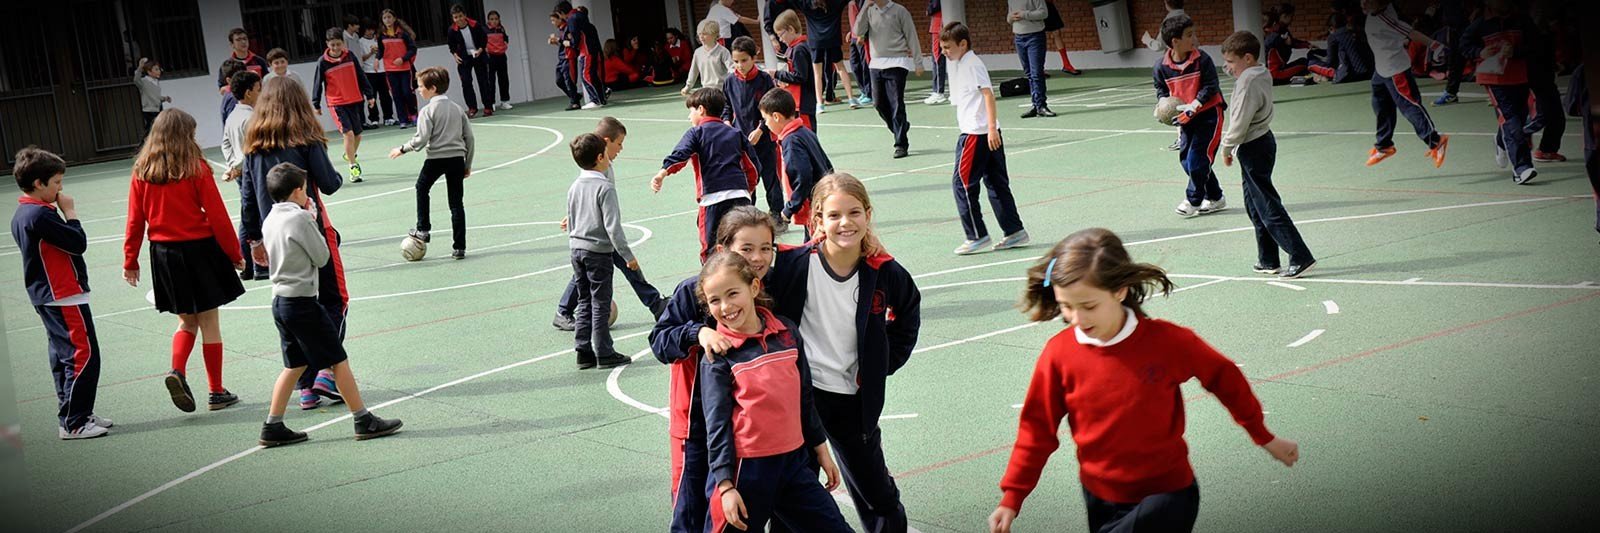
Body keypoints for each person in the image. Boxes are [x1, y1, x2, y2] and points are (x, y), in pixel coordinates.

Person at [986, 228, 1299, 533]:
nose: (1077, 319)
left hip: (1168, 495)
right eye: (1066, 307)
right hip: (1100, 498)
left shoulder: (1168, 342)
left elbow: (1225, 377)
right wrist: (1012, 496)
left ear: (1119, 290)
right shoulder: (1058, 354)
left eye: (1089, 306)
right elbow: (1036, 429)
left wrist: (1263, 436)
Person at [765, 173, 921, 533]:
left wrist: (882, 362)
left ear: (868, 214)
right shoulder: (793, 265)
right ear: (817, 220)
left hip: (853, 399)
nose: (845, 223)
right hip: (801, 399)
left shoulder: (884, 272)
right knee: (793, 496)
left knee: (879, 497)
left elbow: (908, 313)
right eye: (834, 215)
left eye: (854, 212)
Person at [697, 251, 854, 533]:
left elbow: (804, 397)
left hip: (794, 465)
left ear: (754, 287)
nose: (725, 306)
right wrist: (725, 486)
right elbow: (716, 425)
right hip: (747, 473)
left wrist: (821, 449)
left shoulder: (787, 333)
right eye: (715, 300)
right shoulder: (718, 355)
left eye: (733, 293)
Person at [649, 206, 779, 533]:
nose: (757, 258)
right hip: (697, 429)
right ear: (722, 251)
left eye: (766, 248)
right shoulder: (694, 291)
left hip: (752, 433)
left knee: (748, 514)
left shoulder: (767, 289)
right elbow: (659, 341)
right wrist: (697, 332)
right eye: (746, 249)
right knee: (691, 514)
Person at [257, 162, 403, 447]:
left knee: (295, 365)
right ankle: (363, 419)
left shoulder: (270, 218)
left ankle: (272, 425)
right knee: (338, 360)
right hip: (303, 302)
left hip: (281, 301)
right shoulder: (300, 219)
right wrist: (312, 218)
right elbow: (322, 257)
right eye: (305, 189)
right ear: (298, 191)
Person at [122, 108, 247, 414]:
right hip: (199, 250)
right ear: (184, 136)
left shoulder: (142, 170)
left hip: (164, 254)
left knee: (185, 321)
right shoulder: (195, 167)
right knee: (210, 322)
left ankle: (177, 370)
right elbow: (217, 215)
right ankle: (216, 391)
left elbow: (135, 221)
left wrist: (130, 260)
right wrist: (234, 253)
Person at [241, 76, 348, 410]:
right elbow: (329, 184)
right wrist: (335, 175)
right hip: (309, 229)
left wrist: (253, 240)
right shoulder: (306, 137)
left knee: (295, 305)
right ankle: (325, 372)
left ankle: (306, 385)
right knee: (335, 299)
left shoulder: (254, 145)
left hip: (274, 235)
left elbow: (246, 197)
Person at [10, 147, 112, 440]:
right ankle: (75, 422)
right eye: (56, 182)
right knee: (83, 356)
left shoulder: (26, 212)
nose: (60, 188)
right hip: (62, 294)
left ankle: (74, 412)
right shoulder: (39, 215)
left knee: (63, 357)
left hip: (51, 295)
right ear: (39, 184)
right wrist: (71, 213)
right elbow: (77, 242)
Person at [1218, 31, 1317, 279]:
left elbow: (1239, 120)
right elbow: (1239, 73)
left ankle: (1300, 255)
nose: (1228, 68)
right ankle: (1268, 258)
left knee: (1267, 205)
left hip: (1253, 145)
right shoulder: (1259, 72)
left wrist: (1227, 146)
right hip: (1260, 142)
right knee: (1254, 205)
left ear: (1248, 58)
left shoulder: (1248, 82)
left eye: (1231, 62)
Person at [552, 118, 667, 331]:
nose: (621, 148)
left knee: (594, 270)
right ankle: (565, 312)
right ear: (606, 142)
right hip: (601, 232)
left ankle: (655, 304)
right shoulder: (599, 164)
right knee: (620, 265)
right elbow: (587, 191)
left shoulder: (599, 161)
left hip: (599, 231)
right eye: (619, 143)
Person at [942, 22, 1029, 256]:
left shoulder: (972, 64)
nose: (944, 52)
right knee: (996, 183)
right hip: (982, 132)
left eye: (948, 47)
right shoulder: (961, 63)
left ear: (963, 44)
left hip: (976, 134)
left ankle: (976, 235)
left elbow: (988, 95)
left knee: (962, 185)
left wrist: (991, 128)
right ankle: (1014, 231)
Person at [652, 88, 761, 261]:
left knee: (710, 250)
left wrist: (662, 173)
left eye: (691, 111)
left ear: (701, 110)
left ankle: (711, 285)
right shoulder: (735, 133)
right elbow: (753, 167)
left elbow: (681, 154)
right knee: (742, 245)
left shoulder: (696, 133)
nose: (689, 117)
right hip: (741, 197)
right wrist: (747, 190)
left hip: (712, 199)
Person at [566, 134, 637, 370]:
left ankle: (583, 351)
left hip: (577, 249)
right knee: (600, 302)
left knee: (584, 300)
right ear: (600, 157)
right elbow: (613, 228)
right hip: (598, 252)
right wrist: (628, 256)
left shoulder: (575, 185)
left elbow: (572, 219)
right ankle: (604, 351)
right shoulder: (604, 188)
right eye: (606, 153)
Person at [391, 66, 475, 260]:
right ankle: (459, 247)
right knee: (456, 203)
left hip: (436, 158)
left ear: (433, 88)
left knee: (421, 187)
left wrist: (402, 149)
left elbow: (421, 140)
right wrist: (467, 164)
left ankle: (423, 229)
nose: (418, 90)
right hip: (456, 159)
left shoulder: (428, 110)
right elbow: (469, 138)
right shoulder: (457, 108)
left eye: (421, 86)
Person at [1154, 14, 1229, 218]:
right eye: (1189, 35)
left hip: (1209, 114)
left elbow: (1211, 86)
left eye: (1193, 33)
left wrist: (1195, 104)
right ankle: (1215, 197)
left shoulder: (1202, 59)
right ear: (1175, 42)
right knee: (1188, 162)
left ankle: (1193, 200)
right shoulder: (1161, 67)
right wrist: (1161, 104)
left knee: (1198, 160)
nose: (1194, 38)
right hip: (1186, 119)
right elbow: (1161, 89)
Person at [1360, 0, 1450, 169]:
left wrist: (1435, 45)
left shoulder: (1386, 20)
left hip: (1396, 70)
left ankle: (1436, 142)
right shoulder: (1375, 11)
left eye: (1368, 1)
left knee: (1410, 107)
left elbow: (1412, 33)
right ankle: (1384, 146)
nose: (1363, 4)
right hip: (1381, 69)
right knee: (1381, 106)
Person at [1461, 0, 1538, 184]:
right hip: (1493, 79)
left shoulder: (1522, 20)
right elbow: (1463, 46)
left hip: (1519, 77)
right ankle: (1522, 168)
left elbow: (1536, 45)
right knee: (1511, 121)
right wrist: (1480, 52)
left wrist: (1516, 51)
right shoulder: (1480, 24)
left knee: (1519, 118)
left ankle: (1500, 142)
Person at [721, 37, 784, 228]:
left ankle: (777, 215)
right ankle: (749, 214)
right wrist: (726, 123)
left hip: (764, 139)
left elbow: (773, 107)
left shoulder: (764, 79)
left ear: (754, 57)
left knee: (770, 178)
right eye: (736, 61)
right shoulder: (730, 81)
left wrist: (761, 129)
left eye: (744, 60)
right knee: (748, 178)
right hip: (741, 141)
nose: (740, 65)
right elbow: (727, 106)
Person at [758, 88, 832, 241]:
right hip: (823, 199)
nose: (766, 124)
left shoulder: (791, 141)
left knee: (816, 248)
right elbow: (827, 164)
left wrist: (790, 208)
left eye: (766, 119)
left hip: (814, 205)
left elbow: (803, 177)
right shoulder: (804, 131)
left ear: (776, 117)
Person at [853, 0, 923, 159]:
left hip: (898, 62)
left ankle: (901, 144)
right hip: (876, 64)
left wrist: (918, 62)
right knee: (878, 104)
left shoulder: (900, 11)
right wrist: (865, 7)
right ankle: (901, 127)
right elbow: (858, 30)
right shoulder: (870, 11)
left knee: (896, 103)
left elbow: (912, 36)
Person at [220, 71, 267, 280]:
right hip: (253, 172)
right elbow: (251, 149)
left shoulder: (233, 116)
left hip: (243, 172)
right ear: (248, 93)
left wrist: (232, 164)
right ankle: (258, 264)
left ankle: (249, 265)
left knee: (248, 214)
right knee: (256, 216)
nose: (262, 93)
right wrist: (238, 167)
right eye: (259, 89)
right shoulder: (250, 118)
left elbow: (225, 144)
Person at [311, 28, 375, 183]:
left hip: (354, 99)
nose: (335, 48)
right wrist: (316, 102)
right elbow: (317, 83)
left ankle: (349, 154)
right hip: (337, 103)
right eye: (332, 45)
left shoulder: (350, 56)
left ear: (343, 43)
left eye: (338, 44)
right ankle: (353, 166)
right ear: (327, 44)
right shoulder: (323, 62)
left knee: (358, 134)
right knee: (349, 134)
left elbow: (361, 75)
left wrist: (370, 95)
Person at [770, 11, 818, 131]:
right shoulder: (794, 48)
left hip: (803, 102)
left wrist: (776, 74)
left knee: (807, 133)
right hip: (797, 101)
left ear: (791, 29)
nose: (780, 39)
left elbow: (800, 76)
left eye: (781, 35)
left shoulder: (799, 49)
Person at [1009, 0, 1056, 118]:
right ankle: (1036, 105)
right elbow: (1008, 18)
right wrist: (1011, 17)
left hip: (1035, 36)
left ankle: (1041, 105)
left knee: (1037, 73)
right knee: (1029, 73)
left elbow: (1044, 13)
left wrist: (1024, 14)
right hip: (1019, 37)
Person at [448, 4, 494, 118]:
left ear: (465, 15)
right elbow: (451, 45)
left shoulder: (475, 25)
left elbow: (484, 38)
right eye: (455, 17)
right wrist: (455, 55)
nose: (458, 19)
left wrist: (480, 49)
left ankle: (488, 107)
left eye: (460, 16)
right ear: (453, 18)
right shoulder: (452, 30)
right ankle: (472, 108)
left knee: (483, 82)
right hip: (464, 58)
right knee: (466, 83)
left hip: (478, 55)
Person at [380, 9, 420, 128]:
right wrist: (377, 58)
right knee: (396, 95)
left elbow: (413, 49)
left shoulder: (403, 34)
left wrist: (403, 59)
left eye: (389, 17)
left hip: (406, 68)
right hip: (390, 70)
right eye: (385, 18)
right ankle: (403, 119)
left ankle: (413, 115)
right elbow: (381, 51)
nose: (387, 20)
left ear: (394, 18)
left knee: (408, 92)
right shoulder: (381, 36)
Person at [683, 20, 734, 94]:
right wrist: (688, 86)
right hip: (706, 90)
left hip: (722, 90)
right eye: (699, 34)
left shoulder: (723, 51)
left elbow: (731, 68)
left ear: (714, 35)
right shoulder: (698, 52)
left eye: (705, 34)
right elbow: (693, 71)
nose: (701, 37)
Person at [359, 21, 394, 127]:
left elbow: (385, 51)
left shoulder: (378, 39)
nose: (370, 32)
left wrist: (379, 51)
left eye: (372, 29)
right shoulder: (360, 42)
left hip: (382, 70)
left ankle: (388, 117)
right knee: (371, 97)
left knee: (385, 96)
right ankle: (374, 119)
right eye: (368, 29)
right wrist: (371, 53)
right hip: (368, 72)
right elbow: (361, 59)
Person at [1043, 0, 1082, 75]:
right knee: (1039, 35)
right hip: (1036, 7)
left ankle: (1067, 65)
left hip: (1048, 5)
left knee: (1057, 32)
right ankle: (1039, 69)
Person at [485, 10, 513, 111]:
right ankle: (491, 103)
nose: (494, 21)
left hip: (501, 57)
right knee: (491, 81)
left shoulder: (501, 29)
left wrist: (504, 46)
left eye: (496, 19)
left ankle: (505, 101)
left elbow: (506, 39)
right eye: (492, 19)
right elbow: (482, 42)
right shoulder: (485, 30)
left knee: (504, 79)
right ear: (488, 20)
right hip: (490, 57)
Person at [134, 58, 171, 134]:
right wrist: (140, 67)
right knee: (152, 130)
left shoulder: (156, 82)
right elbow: (136, 80)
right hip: (149, 110)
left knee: (159, 129)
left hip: (158, 108)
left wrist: (165, 98)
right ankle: (144, 144)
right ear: (149, 72)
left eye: (159, 69)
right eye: (156, 69)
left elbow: (156, 96)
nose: (159, 71)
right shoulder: (144, 82)